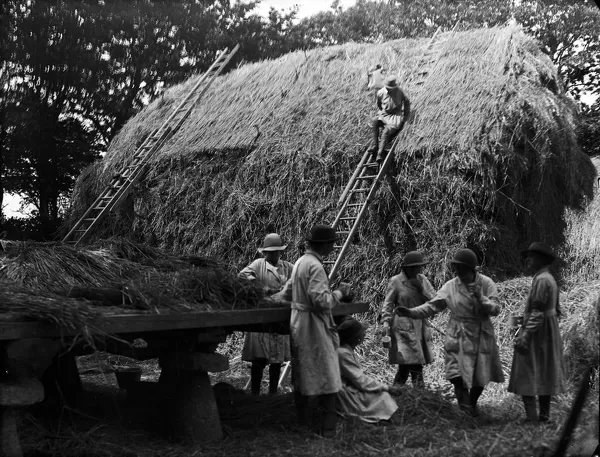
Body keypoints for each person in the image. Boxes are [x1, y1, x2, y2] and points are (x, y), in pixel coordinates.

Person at [396, 248, 504, 416]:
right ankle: (465, 408)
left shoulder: (486, 283)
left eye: (461, 267)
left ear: (471, 268)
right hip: (457, 334)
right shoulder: (451, 286)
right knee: (456, 375)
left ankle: (471, 405)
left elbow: (496, 309)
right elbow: (433, 305)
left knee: (479, 376)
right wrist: (411, 312)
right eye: (456, 267)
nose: (457, 271)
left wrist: (481, 298)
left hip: (480, 335)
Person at [280, 224, 352, 437]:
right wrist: (340, 293)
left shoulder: (301, 262)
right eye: (332, 244)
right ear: (326, 245)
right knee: (328, 374)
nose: (332, 247)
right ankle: (328, 429)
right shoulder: (315, 266)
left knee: (303, 372)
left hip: (299, 322)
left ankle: (302, 424)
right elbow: (321, 301)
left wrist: (269, 298)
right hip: (314, 326)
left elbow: (287, 292)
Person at [508, 242, 566, 423]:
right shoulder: (546, 278)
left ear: (540, 260)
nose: (527, 260)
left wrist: (525, 335)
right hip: (547, 331)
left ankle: (533, 418)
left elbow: (538, 311)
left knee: (526, 371)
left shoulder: (542, 280)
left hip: (539, 333)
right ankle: (543, 416)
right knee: (544, 372)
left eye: (531, 257)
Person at [238, 233, 294, 395]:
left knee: (276, 360)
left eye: (277, 252)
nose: (275, 255)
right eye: (271, 252)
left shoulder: (287, 267)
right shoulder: (258, 265)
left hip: (279, 317)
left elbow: (298, 277)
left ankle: (272, 393)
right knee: (259, 359)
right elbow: (242, 276)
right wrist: (260, 288)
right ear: (265, 253)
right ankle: (255, 394)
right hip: (262, 317)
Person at [381, 251, 435, 388]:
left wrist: (421, 288)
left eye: (420, 267)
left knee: (407, 365)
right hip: (402, 326)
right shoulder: (396, 281)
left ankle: (397, 391)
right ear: (407, 268)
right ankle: (419, 392)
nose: (418, 270)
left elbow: (434, 300)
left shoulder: (422, 279)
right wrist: (386, 323)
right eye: (415, 267)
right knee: (411, 362)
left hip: (420, 324)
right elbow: (388, 304)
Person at [337, 318, 402, 423]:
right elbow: (360, 380)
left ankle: (388, 419)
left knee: (382, 395)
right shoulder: (343, 353)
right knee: (383, 396)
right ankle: (389, 422)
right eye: (361, 333)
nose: (364, 335)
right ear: (355, 337)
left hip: (352, 386)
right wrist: (386, 388)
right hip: (347, 392)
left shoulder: (346, 350)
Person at [368, 74, 411, 164]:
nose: (389, 89)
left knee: (386, 131)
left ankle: (379, 154)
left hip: (396, 115)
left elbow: (407, 102)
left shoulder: (399, 91)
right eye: (387, 88)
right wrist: (383, 112)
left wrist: (406, 115)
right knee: (375, 121)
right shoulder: (380, 92)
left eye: (390, 88)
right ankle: (375, 145)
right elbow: (379, 104)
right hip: (385, 114)